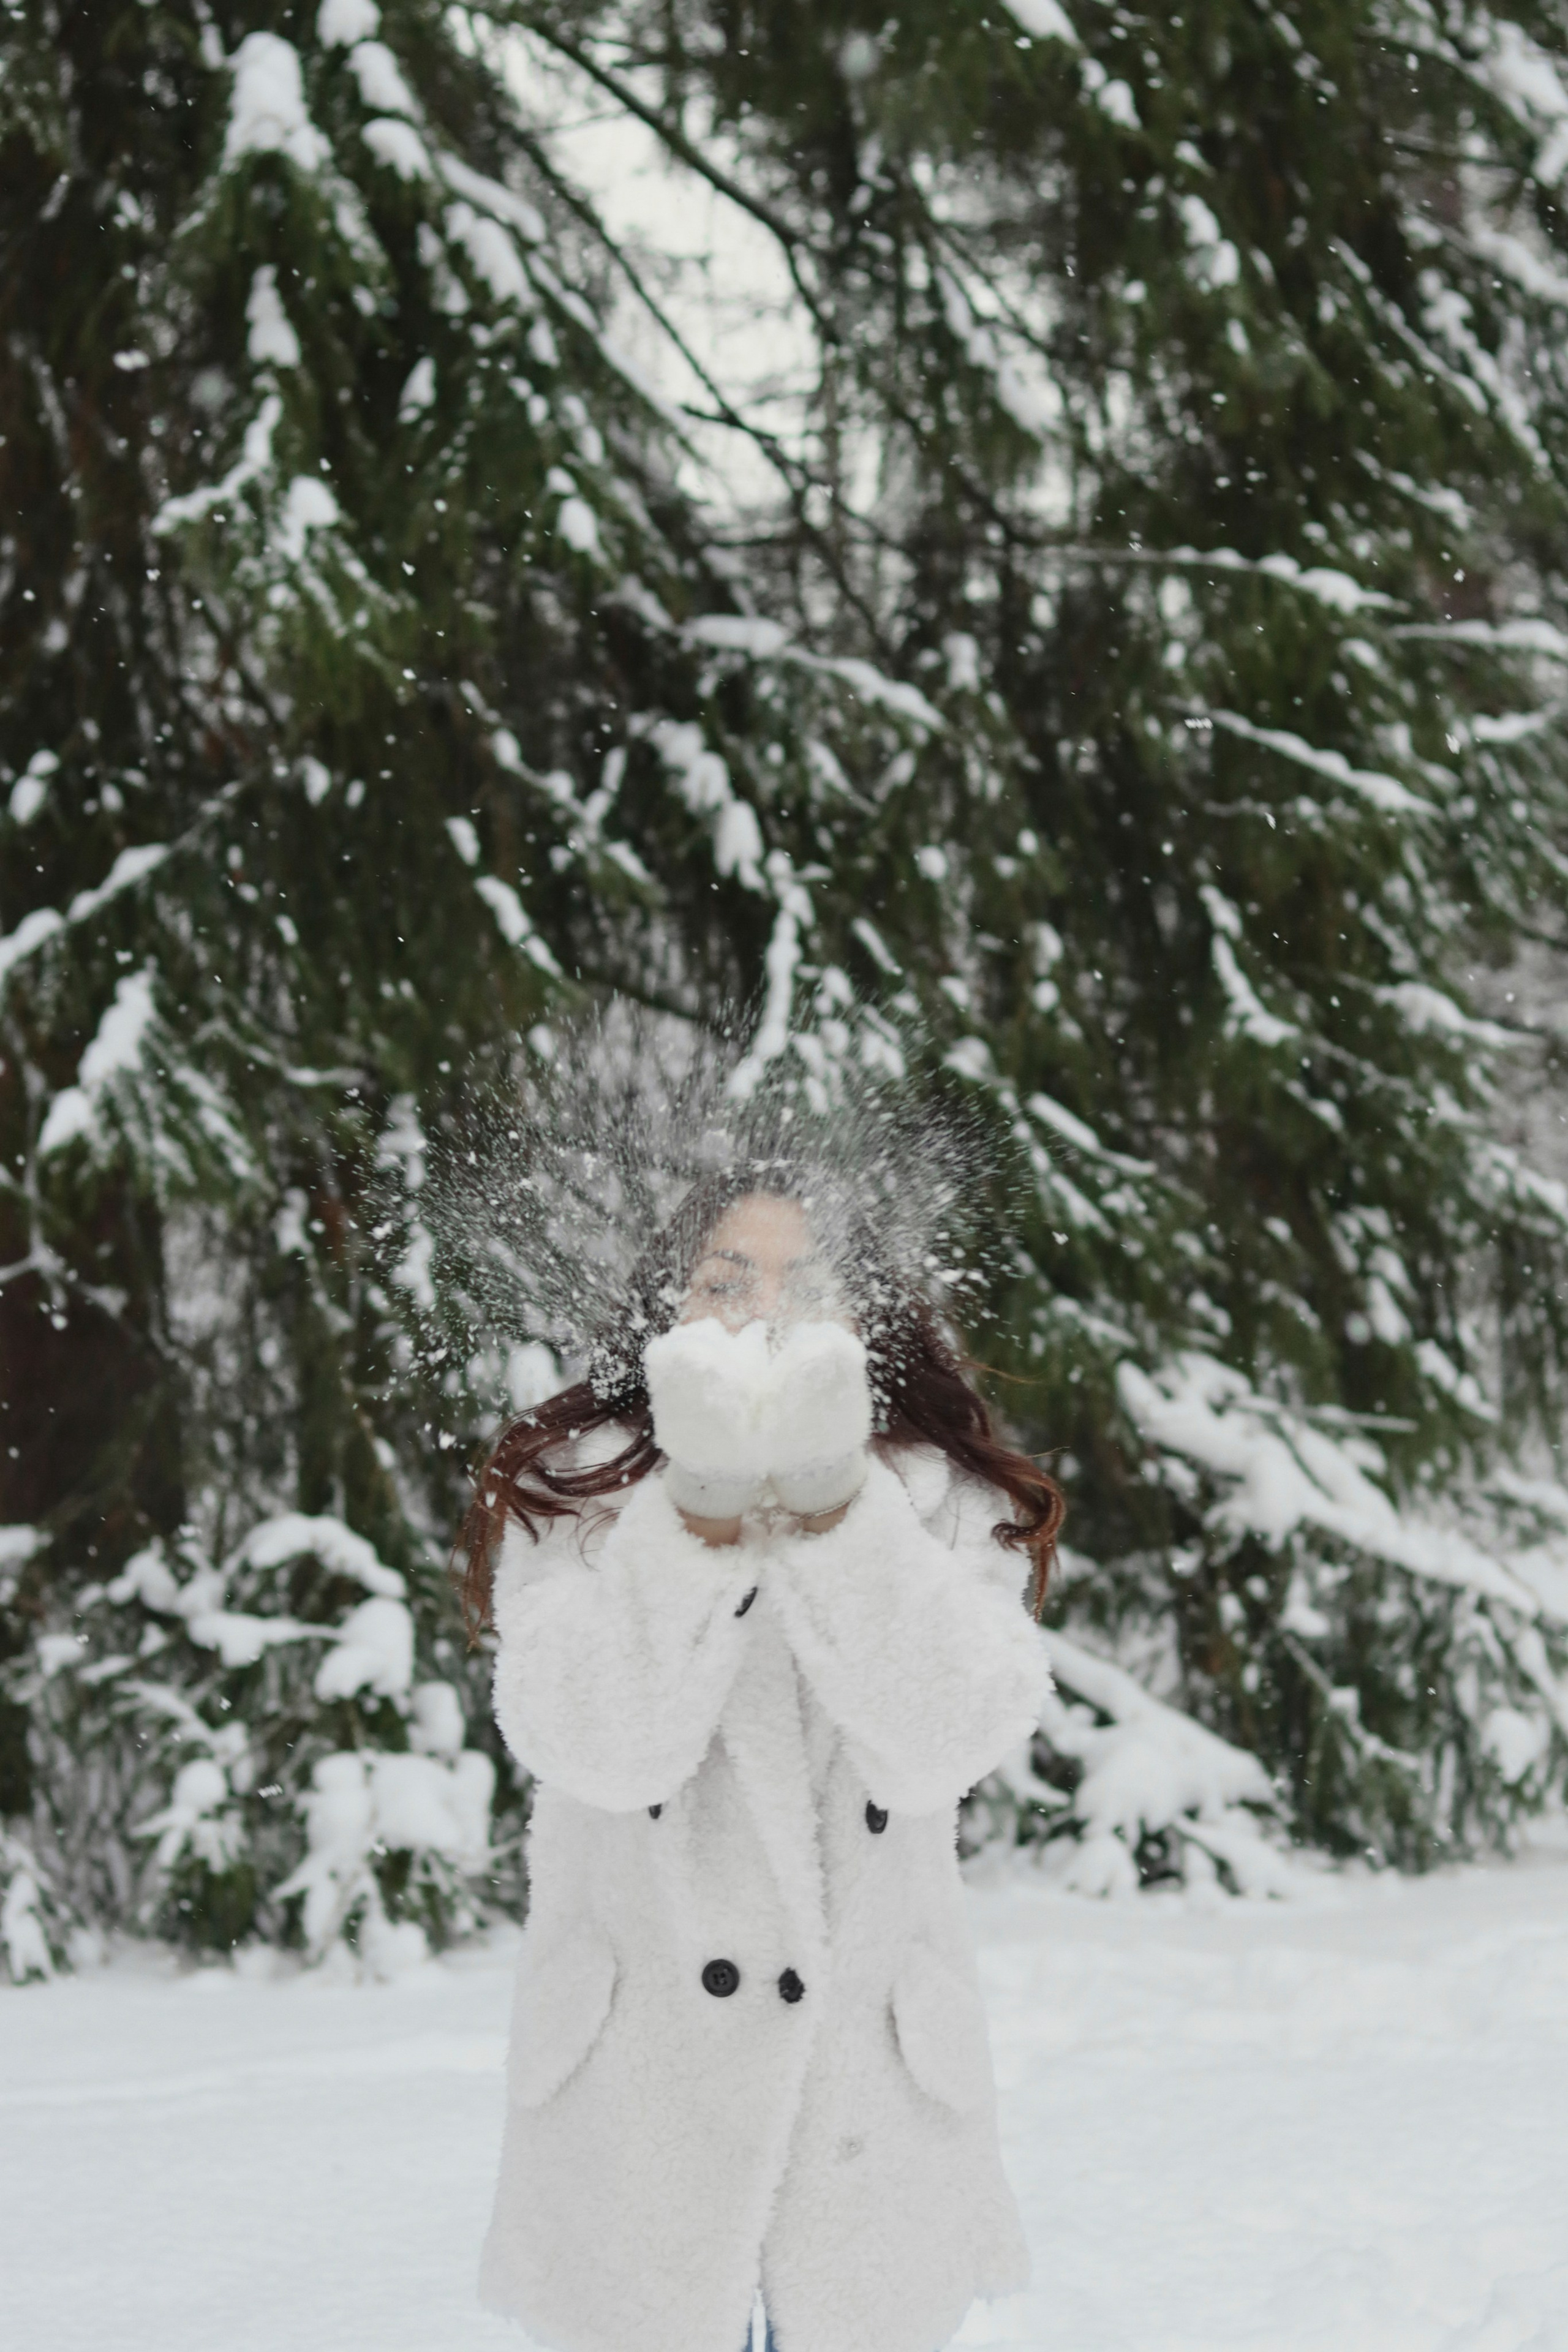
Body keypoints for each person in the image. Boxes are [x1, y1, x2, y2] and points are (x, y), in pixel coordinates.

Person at [462, 1163, 1062, 2352]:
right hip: (638, 2085)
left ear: (868, 1318)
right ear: (668, 1304)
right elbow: (594, 1751)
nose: (763, 1312)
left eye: (809, 1283)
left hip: (868, 2091)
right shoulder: (574, 1487)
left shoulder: (944, 1497)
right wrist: (695, 1511)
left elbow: (945, 1743)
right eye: (725, 1280)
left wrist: (838, 1508)